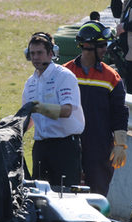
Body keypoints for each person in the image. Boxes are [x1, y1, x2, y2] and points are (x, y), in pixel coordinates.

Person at [64, 21, 129, 196]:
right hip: (67, 145)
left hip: (99, 147)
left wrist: (120, 142)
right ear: (87, 46)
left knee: (97, 195)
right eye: (101, 45)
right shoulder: (65, 73)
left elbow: (120, 111)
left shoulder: (112, 77)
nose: (105, 49)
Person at [22, 32, 85, 186]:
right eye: (32, 54)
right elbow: (28, 118)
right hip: (41, 147)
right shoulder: (30, 82)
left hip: (64, 147)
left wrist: (42, 108)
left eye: (40, 53)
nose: (36, 57)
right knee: (39, 195)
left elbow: (67, 110)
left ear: (51, 54)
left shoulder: (64, 76)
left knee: (66, 195)